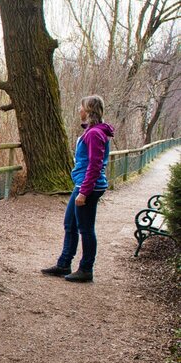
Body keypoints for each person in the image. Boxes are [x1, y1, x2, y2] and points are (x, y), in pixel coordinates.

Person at [41, 95, 114, 283]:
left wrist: (84, 191)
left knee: (86, 228)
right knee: (70, 224)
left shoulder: (94, 134)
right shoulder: (92, 132)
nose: (79, 111)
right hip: (83, 184)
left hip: (88, 186)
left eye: (81, 107)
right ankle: (64, 263)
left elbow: (95, 165)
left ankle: (86, 269)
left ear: (89, 110)